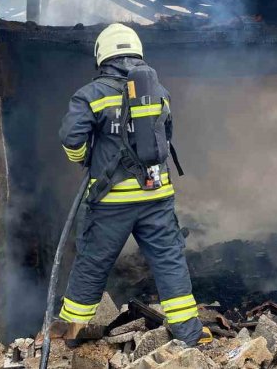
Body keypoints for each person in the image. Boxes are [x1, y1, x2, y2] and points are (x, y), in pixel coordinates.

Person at [57, 23, 211, 346]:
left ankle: (71, 335)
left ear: (103, 56)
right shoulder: (159, 92)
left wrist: (85, 158)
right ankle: (190, 334)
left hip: (111, 202)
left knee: (92, 264)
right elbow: (165, 138)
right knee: (169, 261)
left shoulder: (90, 95)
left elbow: (72, 139)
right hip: (157, 195)